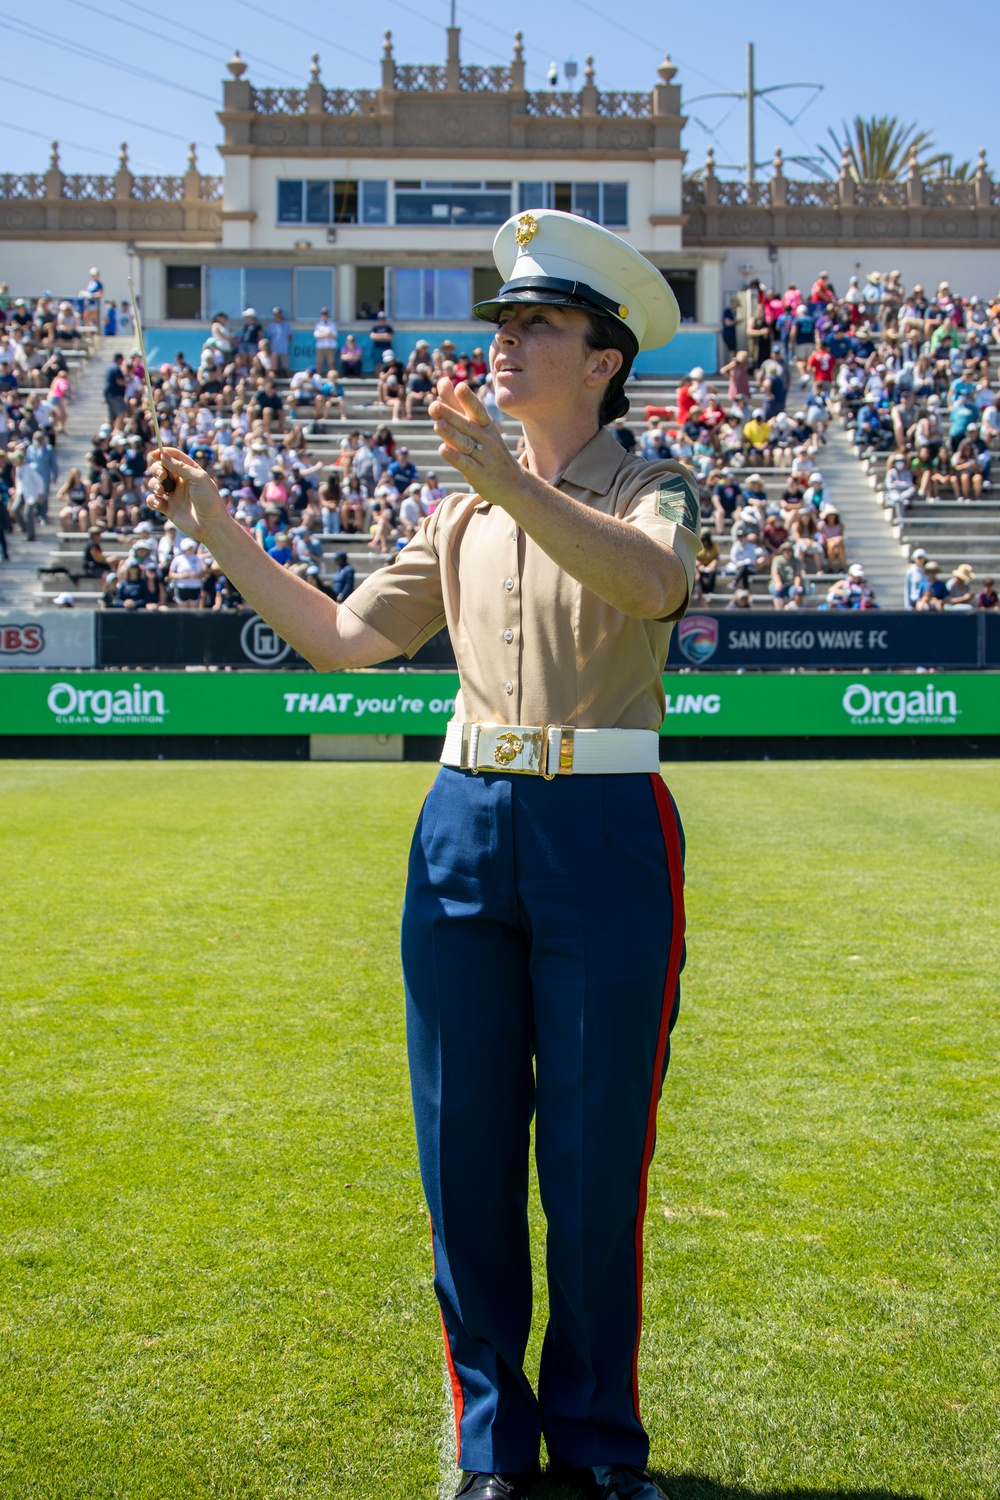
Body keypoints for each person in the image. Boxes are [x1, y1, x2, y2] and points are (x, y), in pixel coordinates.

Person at [147, 207, 699, 1500]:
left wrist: (507, 483)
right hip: (461, 824)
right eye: (501, 324)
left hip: (606, 833)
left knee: (592, 1160)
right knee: (462, 1153)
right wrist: (223, 530)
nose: (504, 345)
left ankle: (603, 1450)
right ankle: (492, 1449)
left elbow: (654, 587)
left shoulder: (653, 482)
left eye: (538, 326)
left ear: (604, 358)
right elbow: (345, 640)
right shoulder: (460, 511)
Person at [313, 308, 338, 375]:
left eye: (325, 314)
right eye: (323, 314)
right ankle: (317, 378)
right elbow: (316, 335)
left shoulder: (332, 324)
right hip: (320, 347)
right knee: (319, 363)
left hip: (330, 347)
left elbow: (335, 335)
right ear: (321, 315)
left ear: (328, 315)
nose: (324, 315)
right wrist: (325, 334)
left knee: (331, 363)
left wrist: (328, 335)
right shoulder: (318, 325)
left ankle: (333, 378)